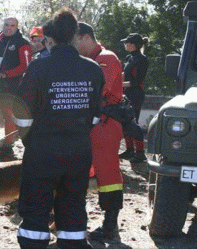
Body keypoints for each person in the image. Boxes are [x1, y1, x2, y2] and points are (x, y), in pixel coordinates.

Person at [14, 8, 104, 249]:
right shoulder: (93, 69)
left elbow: (22, 114)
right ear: (73, 35)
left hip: (42, 150)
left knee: (35, 206)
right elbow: (96, 114)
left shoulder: (38, 67)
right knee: (74, 204)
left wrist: (28, 140)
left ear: (49, 40)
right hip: (78, 150)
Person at [73, 22, 124, 240]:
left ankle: (110, 225)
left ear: (86, 38)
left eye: (73, 41)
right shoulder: (90, 60)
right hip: (91, 122)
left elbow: (98, 90)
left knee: (107, 173)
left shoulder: (106, 58)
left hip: (106, 123)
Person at [0, 17, 32, 156]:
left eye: (12, 25)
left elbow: (25, 66)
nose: (8, 27)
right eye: (6, 25)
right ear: (2, 25)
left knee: (8, 115)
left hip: (12, 86)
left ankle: (8, 145)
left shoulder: (22, 43)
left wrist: (4, 74)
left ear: (17, 27)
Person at [119, 33, 149, 163]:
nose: (125, 44)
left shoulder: (142, 59)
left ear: (132, 45)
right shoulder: (129, 57)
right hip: (126, 92)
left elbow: (137, 81)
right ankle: (130, 150)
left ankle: (140, 152)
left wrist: (118, 84)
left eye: (127, 42)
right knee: (125, 120)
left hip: (136, 93)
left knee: (134, 122)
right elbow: (124, 75)